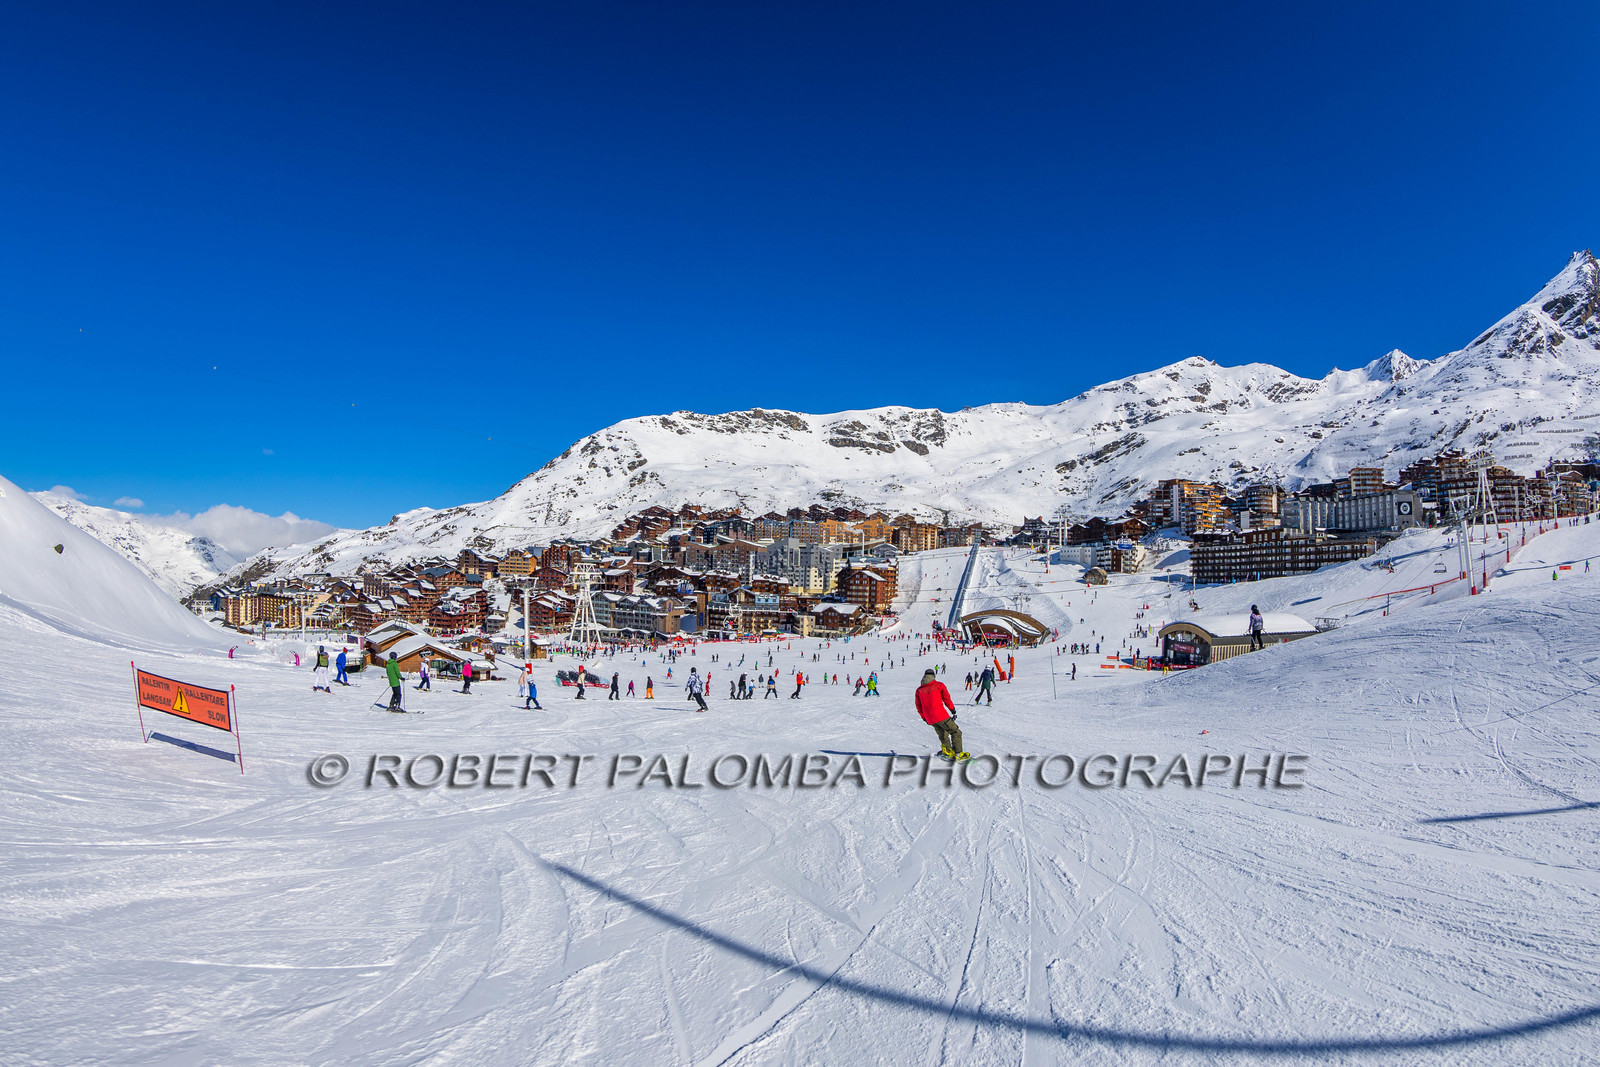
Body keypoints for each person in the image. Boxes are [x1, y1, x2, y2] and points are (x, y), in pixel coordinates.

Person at [914, 668, 966, 760]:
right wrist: (952, 710)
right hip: (940, 715)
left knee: (943, 734)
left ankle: (947, 751)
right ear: (933, 676)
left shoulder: (919, 690)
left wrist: (924, 718)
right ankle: (958, 753)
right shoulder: (939, 685)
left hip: (930, 719)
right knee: (955, 731)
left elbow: (918, 706)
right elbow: (946, 699)